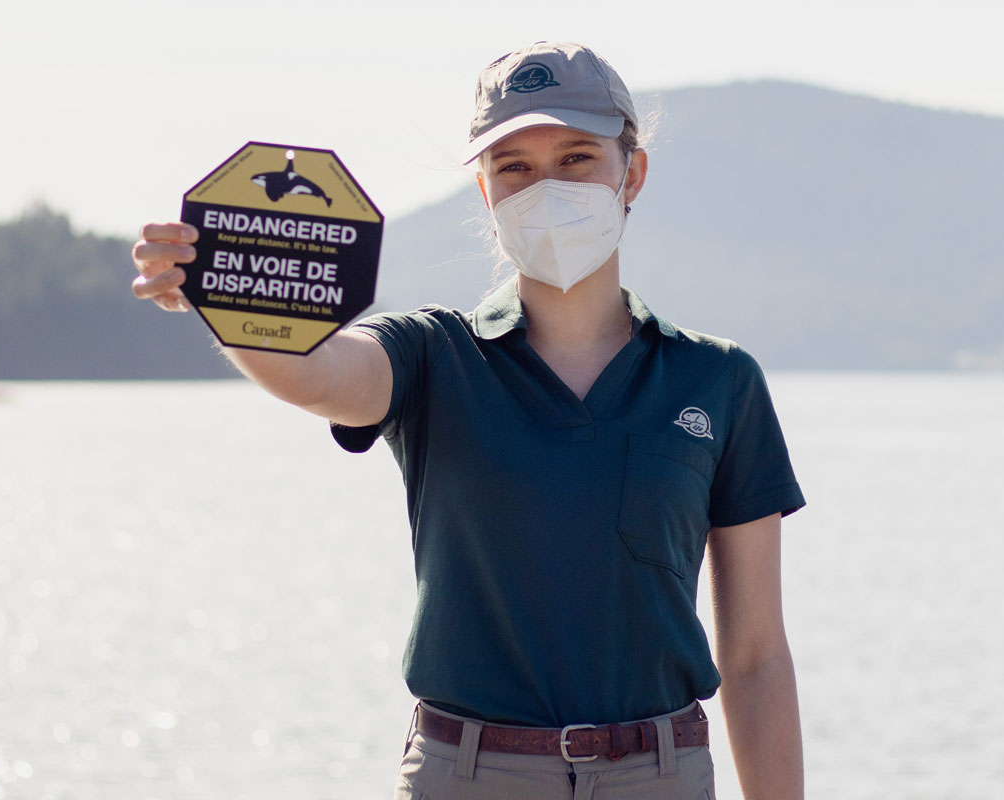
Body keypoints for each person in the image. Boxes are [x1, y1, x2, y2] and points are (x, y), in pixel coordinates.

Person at [132, 41, 805, 800]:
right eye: (514, 166)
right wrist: (229, 303)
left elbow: (754, 657)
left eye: (577, 158)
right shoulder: (430, 356)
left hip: (660, 775)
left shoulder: (718, 381)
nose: (545, 186)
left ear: (633, 174)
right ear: (486, 193)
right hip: (469, 775)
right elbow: (318, 374)